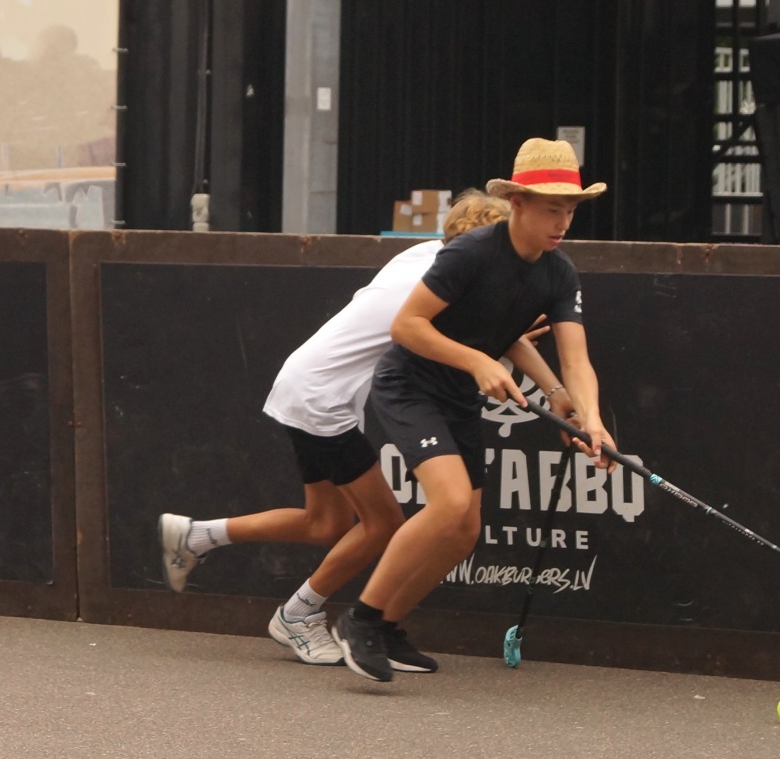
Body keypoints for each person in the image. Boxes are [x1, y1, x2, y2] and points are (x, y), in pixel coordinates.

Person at [158, 192, 582, 667]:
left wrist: (551, 385)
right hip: (323, 400)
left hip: (305, 383)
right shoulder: (441, 279)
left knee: (326, 523)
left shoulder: (427, 255)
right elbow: (470, 335)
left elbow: (493, 330)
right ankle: (299, 614)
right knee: (383, 524)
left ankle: (197, 536)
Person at [331, 138, 615, 684]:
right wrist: (477, 361)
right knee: (451, 502)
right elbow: (406, 326)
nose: (562, 222)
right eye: (552, 209)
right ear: (518, 204)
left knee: (464, 530)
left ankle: (387, 626)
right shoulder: (471, 252)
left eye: (570, 210)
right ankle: (359, 619)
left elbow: (576, 361)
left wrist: (587, 416)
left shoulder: (560, 273)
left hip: (457, 397)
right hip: (409, 386)